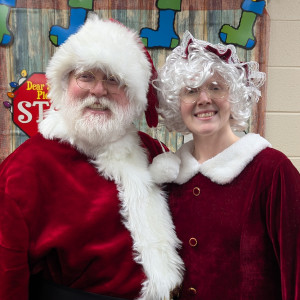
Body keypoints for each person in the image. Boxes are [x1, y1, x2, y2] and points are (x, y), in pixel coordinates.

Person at [0, 14, 184, 300]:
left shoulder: (154, 152)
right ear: (65, 84)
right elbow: (6, 274)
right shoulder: (28, 167)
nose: (98, 91)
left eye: (113, 80)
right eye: (86, 76)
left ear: (133, 95)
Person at [152, 31, 300, 299]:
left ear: (234, 97)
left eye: (216, 87)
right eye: (191, 90)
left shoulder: (271, 170)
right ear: (177, 104)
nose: (204, 99)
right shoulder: (169, 180)